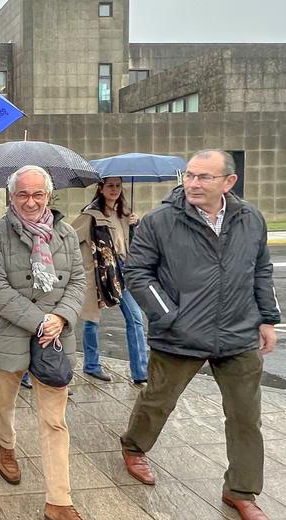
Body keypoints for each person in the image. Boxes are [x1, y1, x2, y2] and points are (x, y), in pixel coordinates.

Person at [120, 150, 280, 520]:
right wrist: (170, 316)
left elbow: (261, 270)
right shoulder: (161, 221)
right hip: (180, 335)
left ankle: (240, 490)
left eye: (204, 177)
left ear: (228, 182)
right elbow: (138, 274)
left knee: (245, 416)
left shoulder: (250, 218)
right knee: (158, 401)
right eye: (189, 175)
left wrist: (267, 319)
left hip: (238, 335)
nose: (193, 183)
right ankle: (133, 446)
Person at [0, 165, 86, 520]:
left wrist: (61, 317)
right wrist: (40, 320)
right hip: (9, 338)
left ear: (49, 196)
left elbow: (78, 284)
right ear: (11, 197)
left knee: (55, 421)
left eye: (37, 194)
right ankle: (7, 448)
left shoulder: (67, 234)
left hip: (55, 340)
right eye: (22, 194)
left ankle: (59, 500)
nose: (30, 201)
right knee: (5, 404)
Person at [72, 177, 148, 384]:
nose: (114, 190)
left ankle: (141, 372)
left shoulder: (126, 214)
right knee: (92, 320)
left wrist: (136, 225)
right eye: (110, 186)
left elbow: (135, 245)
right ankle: (92, 365)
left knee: (135, 319)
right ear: (101, 188)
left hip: (125, 272)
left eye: (118, 186)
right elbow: (70, 239)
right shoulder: (91, 215)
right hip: (101, 274)